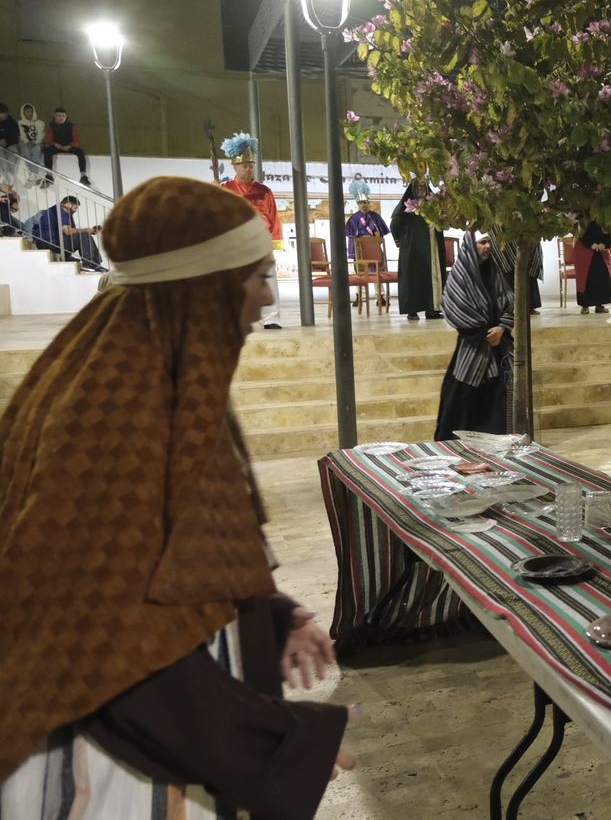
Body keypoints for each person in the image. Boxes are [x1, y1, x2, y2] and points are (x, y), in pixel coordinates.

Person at [0, 177, 352, 817]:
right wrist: (269, 749)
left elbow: (154, 567)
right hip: (114, 765)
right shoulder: (117, 417)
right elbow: (103, 644)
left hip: (154, 740)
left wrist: (265, 611)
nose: (268, 298)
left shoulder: (137, 372)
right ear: (207, 289)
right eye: (258, 277)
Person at [434, 233, 514, 439]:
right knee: (461, 401)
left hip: (497, 347)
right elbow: (454, 308)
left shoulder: (494, 271)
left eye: (489, 242)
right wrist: (482, 332)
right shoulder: (460, 274)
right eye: (482, 242)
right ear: (471, 245)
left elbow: (509, 303)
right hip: (471, 349)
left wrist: (501, 328)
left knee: (497, 401)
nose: (487, 246)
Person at [218, 133, 283, 328]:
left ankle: (271, 318)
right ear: (235, 167)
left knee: (268, 278)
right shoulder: (226, 189)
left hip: (260, 241)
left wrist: (275, 241)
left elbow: (273, 217)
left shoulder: (264, 191)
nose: (248, 169)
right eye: (244, 165)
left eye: (250, 165)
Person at [391, 180, 446, 320]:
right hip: (412, 250)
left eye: (423, 186)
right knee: (412, 278)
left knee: (430, 277)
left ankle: (431, 309)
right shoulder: (406, 206)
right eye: (418, 187)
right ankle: (412, 310)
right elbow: (395, 224)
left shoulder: (433, 205)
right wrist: (401, 242)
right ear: (413, 189)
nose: (421, 189)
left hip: (431, 249)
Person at [26, 195, 103, 269]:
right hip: (48, 241)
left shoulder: (67, 214)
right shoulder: (57, 211)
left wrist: (91, 231)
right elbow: (67, 231)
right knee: (84, 236)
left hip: (56, 240)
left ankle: (96, 264)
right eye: (75, 208)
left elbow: (73, 233)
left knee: (86, 236)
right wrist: (85, 230)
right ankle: (89, 265)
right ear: (68, 204)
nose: (76, 211)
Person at [573, 219, 611, 315]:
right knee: (585, 278)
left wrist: (604, 243)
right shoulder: (582, 213)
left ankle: (599, 305)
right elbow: (579, 232)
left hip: (601, 249)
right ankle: (585, 306)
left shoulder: (606, 213)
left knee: (601, 278)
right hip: (584, 249)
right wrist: (590, 243)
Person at [42, 107, 90, 185]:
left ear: (66, 116)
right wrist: (55, 144)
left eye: (63, 116)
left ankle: (83, 176)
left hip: (69, 146)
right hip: (57, 146)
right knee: (47, 151)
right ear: (54, 116)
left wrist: (70, 145)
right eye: (58, 116)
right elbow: (49, 139)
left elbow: (77, 141)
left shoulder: (71, 126)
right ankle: (49, 175)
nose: (61, 118)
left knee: (80, 152)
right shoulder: (51, 126)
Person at [15, 104, 45, 174]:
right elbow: (21, 134)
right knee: (26, 151)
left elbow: (41, 134)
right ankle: (33, 173)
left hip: (37, 143)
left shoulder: (39, 122)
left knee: (36, 150)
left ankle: (34, 174)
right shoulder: (19, 123)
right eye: (27, 111)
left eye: (31, 111)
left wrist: (35, 142)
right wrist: (27, 142)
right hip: (23, 142)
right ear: (23, 112)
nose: (29, 113)